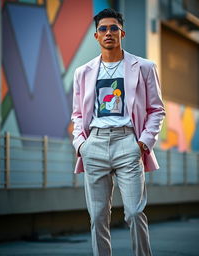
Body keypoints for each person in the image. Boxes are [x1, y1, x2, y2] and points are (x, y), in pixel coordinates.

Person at [71, 8, 165, 256]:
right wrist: (81, 144)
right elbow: (78, 115)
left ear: (122, 32)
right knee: (97, 217)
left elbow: (156, 109)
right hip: (95, 145)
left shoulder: (143, 67)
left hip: (128, 143)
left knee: (134, 212)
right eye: (103, 29)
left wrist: (143, 143)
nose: (109, 33)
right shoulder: (83, 72)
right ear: (96, 36)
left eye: (114, 28)